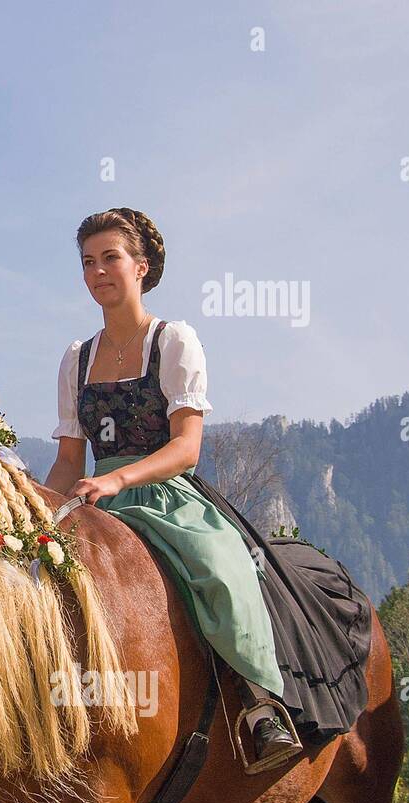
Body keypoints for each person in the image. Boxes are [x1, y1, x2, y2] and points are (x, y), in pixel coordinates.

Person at [44, 207, 302, 773]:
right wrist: (35, 510)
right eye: (88, 262)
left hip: (166, 494)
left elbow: (187, 448)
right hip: (91, 497)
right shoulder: (74, 359)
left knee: (221, 566)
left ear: (142, 266)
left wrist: (119, 477)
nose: (97, 272)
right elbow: (68, 461)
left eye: (110, 258)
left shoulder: (173, 339)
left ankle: (261, 706)